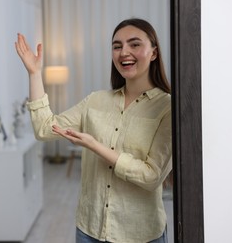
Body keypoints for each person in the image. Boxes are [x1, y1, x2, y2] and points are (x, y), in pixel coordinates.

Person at [15, 18, 172, 243]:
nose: (123, 52)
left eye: (134, 44)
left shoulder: (167, 106)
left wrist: (93, 145)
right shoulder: (95, 101)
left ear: (154, 53)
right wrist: (34, 74)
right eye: (117, 46)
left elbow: (151, 176)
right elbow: (44, 129)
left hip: (141, 234)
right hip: (89, 230)